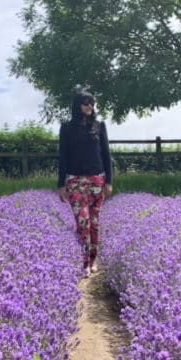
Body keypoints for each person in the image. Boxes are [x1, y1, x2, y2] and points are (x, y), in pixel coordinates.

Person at [57, 91, 113, 276]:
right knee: (83, 223)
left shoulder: (99, 126)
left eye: (92, 103)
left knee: (94, 223)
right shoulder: (66, 128)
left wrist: (109, 182)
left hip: (97, 180)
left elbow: (106, 155)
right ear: (77, 106)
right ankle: (84, 262)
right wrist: (61, 185)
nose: (90, 106)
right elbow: (63, 157)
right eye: (85, 103)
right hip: (75, 181)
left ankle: (94, 259)